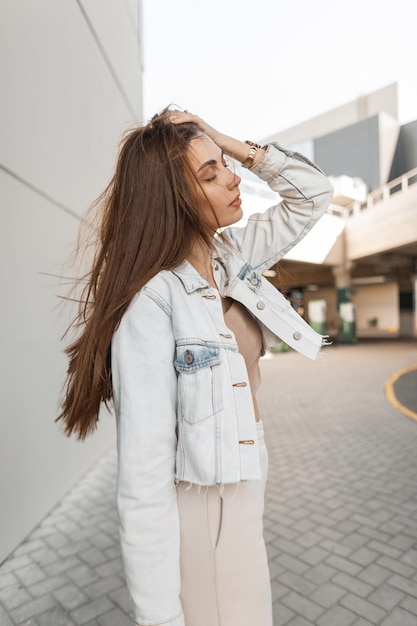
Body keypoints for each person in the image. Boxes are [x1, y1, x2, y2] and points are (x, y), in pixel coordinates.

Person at [57, 108, 333, 626]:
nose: (232, 178)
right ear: (173, 197)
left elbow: (314, 194)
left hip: (244, 497)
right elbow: (142, 481)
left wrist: (223, 139)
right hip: (207, 516)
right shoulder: (153, 303)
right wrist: (159, 617)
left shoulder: (231, 258)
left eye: (224, 164)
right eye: (210, 174)